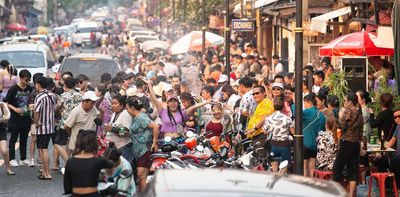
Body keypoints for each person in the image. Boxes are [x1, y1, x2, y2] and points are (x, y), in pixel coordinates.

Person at [64, 130, 114, 197]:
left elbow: (67, 188)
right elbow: (112, 165)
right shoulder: (99, 160)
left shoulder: (70, 162)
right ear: (95, 143)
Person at [333, 92, 364, 196]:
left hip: (347, 142)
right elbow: (361, 131)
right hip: (356, 143)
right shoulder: (360, 112)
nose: (344, 103)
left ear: (350, 102)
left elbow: (341, 126)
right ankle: (351, 194)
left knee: (337, 167)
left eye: (345, 101)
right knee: (353, 169)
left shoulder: (348, 110)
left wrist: (337, 118)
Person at [126, 99, 159, 192]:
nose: (127, 111)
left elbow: (155, 126)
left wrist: (155, 142)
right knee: (141, 176)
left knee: (141, 175)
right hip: (138, 151)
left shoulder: (141, 117)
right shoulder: (135, 118)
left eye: (127, 108)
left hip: (144, 149)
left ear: (132, 108)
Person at [4, 69, 33, 167]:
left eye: (29, 80)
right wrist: (15, 109)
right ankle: (12, 158)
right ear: (20, 78)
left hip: (26, 117)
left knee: (24, 138)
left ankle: (23, 158)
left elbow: (32, 101)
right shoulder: (13, 89)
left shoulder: (29, 88)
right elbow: (6, 102)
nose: (27, 82)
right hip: (15, 118)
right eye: (26, 80)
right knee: (13, 138)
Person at [262, 97, 294, 172]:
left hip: (273, 145)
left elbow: (265, 131)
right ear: (283, 106)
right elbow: (293, 132)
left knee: (274, 169)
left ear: (273, 106)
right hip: (284, 146)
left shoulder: (268, 118)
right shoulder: (287, 118)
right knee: (284, 169)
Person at [34, 76, 56, 180]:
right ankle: (45, 171)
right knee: (45, 148)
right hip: (50, 126)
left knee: (44, 149)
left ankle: (47, 173)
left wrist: (36, 122)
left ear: (38, 85)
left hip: (42, 126)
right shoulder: (52, 95)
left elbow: (37, 111)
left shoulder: (39, 97)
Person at [245, 85, 274, 156]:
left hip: (262, 136)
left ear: (264, 93)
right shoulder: (260, 104)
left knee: (259, 160)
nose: (255, 95)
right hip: (256, 136)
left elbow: (265, 117)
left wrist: (254, 129)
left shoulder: (266, 102)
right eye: (253, 94)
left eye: (257, 93)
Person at [104, 95, 133, 163]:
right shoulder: (114, 114)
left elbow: (126, 131)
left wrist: (113, 129)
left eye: (115, 103)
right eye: (112, 103)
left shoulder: (126, 114)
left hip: (123, 146)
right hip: (115, 147)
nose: (113, 105)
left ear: (122, 105)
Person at [303, 94, 326, 177]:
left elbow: (296, 115)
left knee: (304, 166)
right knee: (312, 167)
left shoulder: (307, 111)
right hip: (316, 144)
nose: (304, 105)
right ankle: (311, 184)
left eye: (305, 103)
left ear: (309, 102)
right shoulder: (322, 115)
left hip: (305, 142)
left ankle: (305, 185)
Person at [384, 109, 400, 188]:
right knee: (380, 160)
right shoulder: (398, 127)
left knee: (394, 162)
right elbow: (390, 143)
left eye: (399, 116)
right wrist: (384, 144)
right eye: (395, 117)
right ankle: (387, 187)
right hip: (397, 155)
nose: (397, 118)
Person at [0, 102, 13, 175]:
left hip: (1, 129)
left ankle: (8, 168)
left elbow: (7, 117)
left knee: (4, 151)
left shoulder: (2, 105)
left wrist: (4, 107)